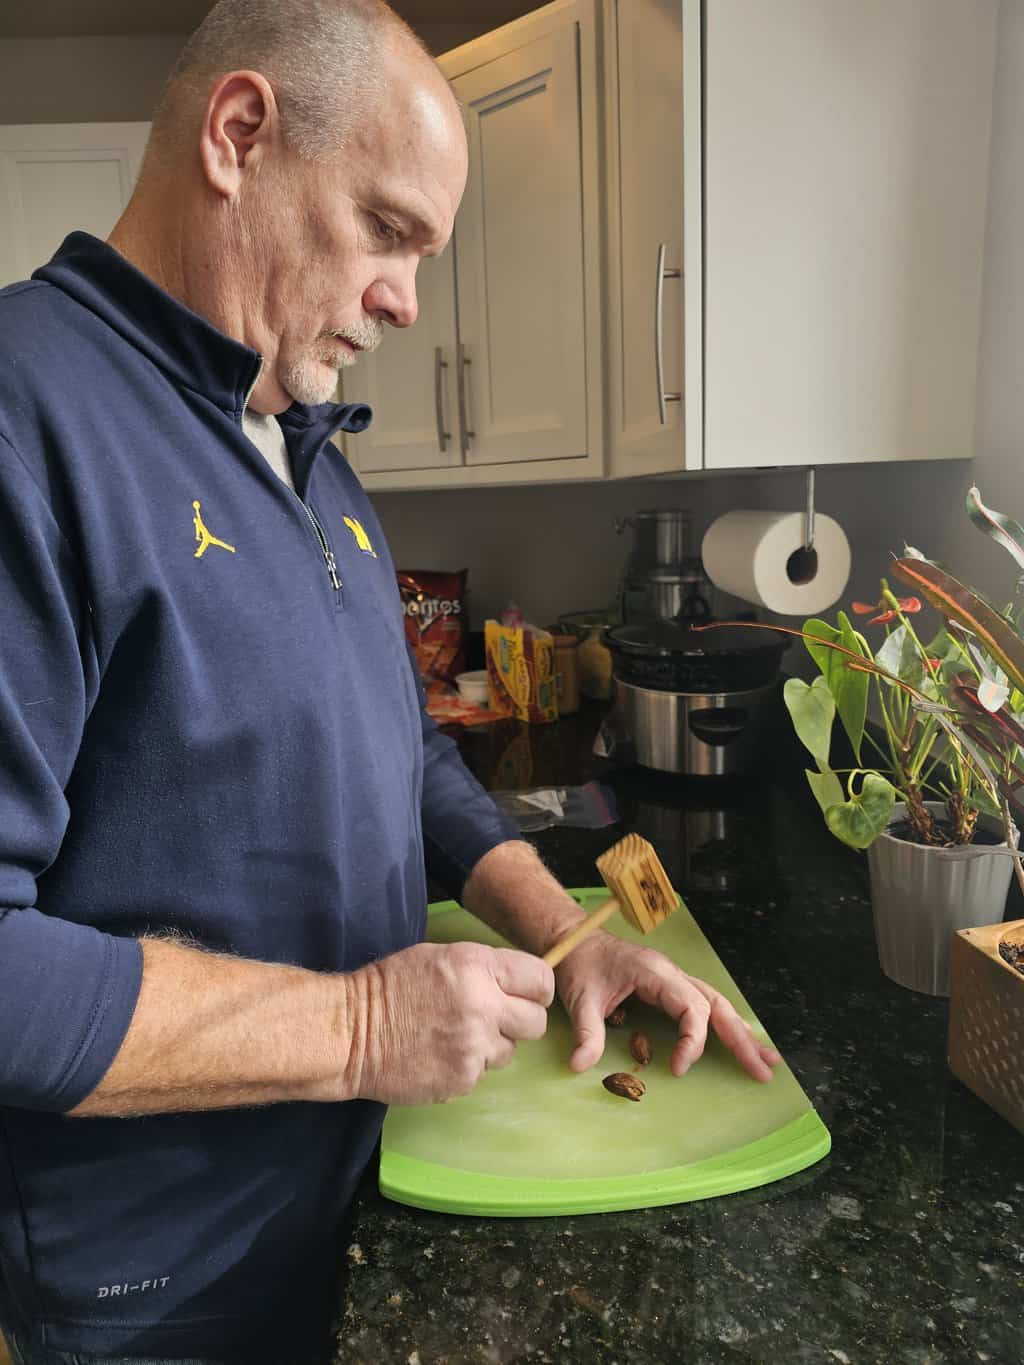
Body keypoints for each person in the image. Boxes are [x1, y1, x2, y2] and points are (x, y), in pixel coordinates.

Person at [0, 1, 781, 1361]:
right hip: (164, 1276)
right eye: (389, 230)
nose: (410, 301)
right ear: (240, 135)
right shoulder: (26, 413)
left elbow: (405, 757)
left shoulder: (304, 447)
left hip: (366, 1178)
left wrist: (564, 928)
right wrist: (361, 1026)